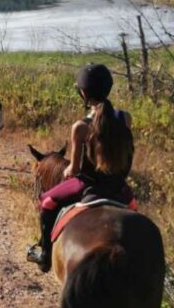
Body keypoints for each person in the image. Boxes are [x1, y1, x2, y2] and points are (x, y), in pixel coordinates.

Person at [28, 63, 135, 273]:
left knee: (46, 202)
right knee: (134, 213)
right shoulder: (125, 118)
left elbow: (75, 171)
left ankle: (45, 254)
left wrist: (67, 171)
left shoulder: (81, 127)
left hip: (88, 186)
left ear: (84, 93)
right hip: (119, 187)